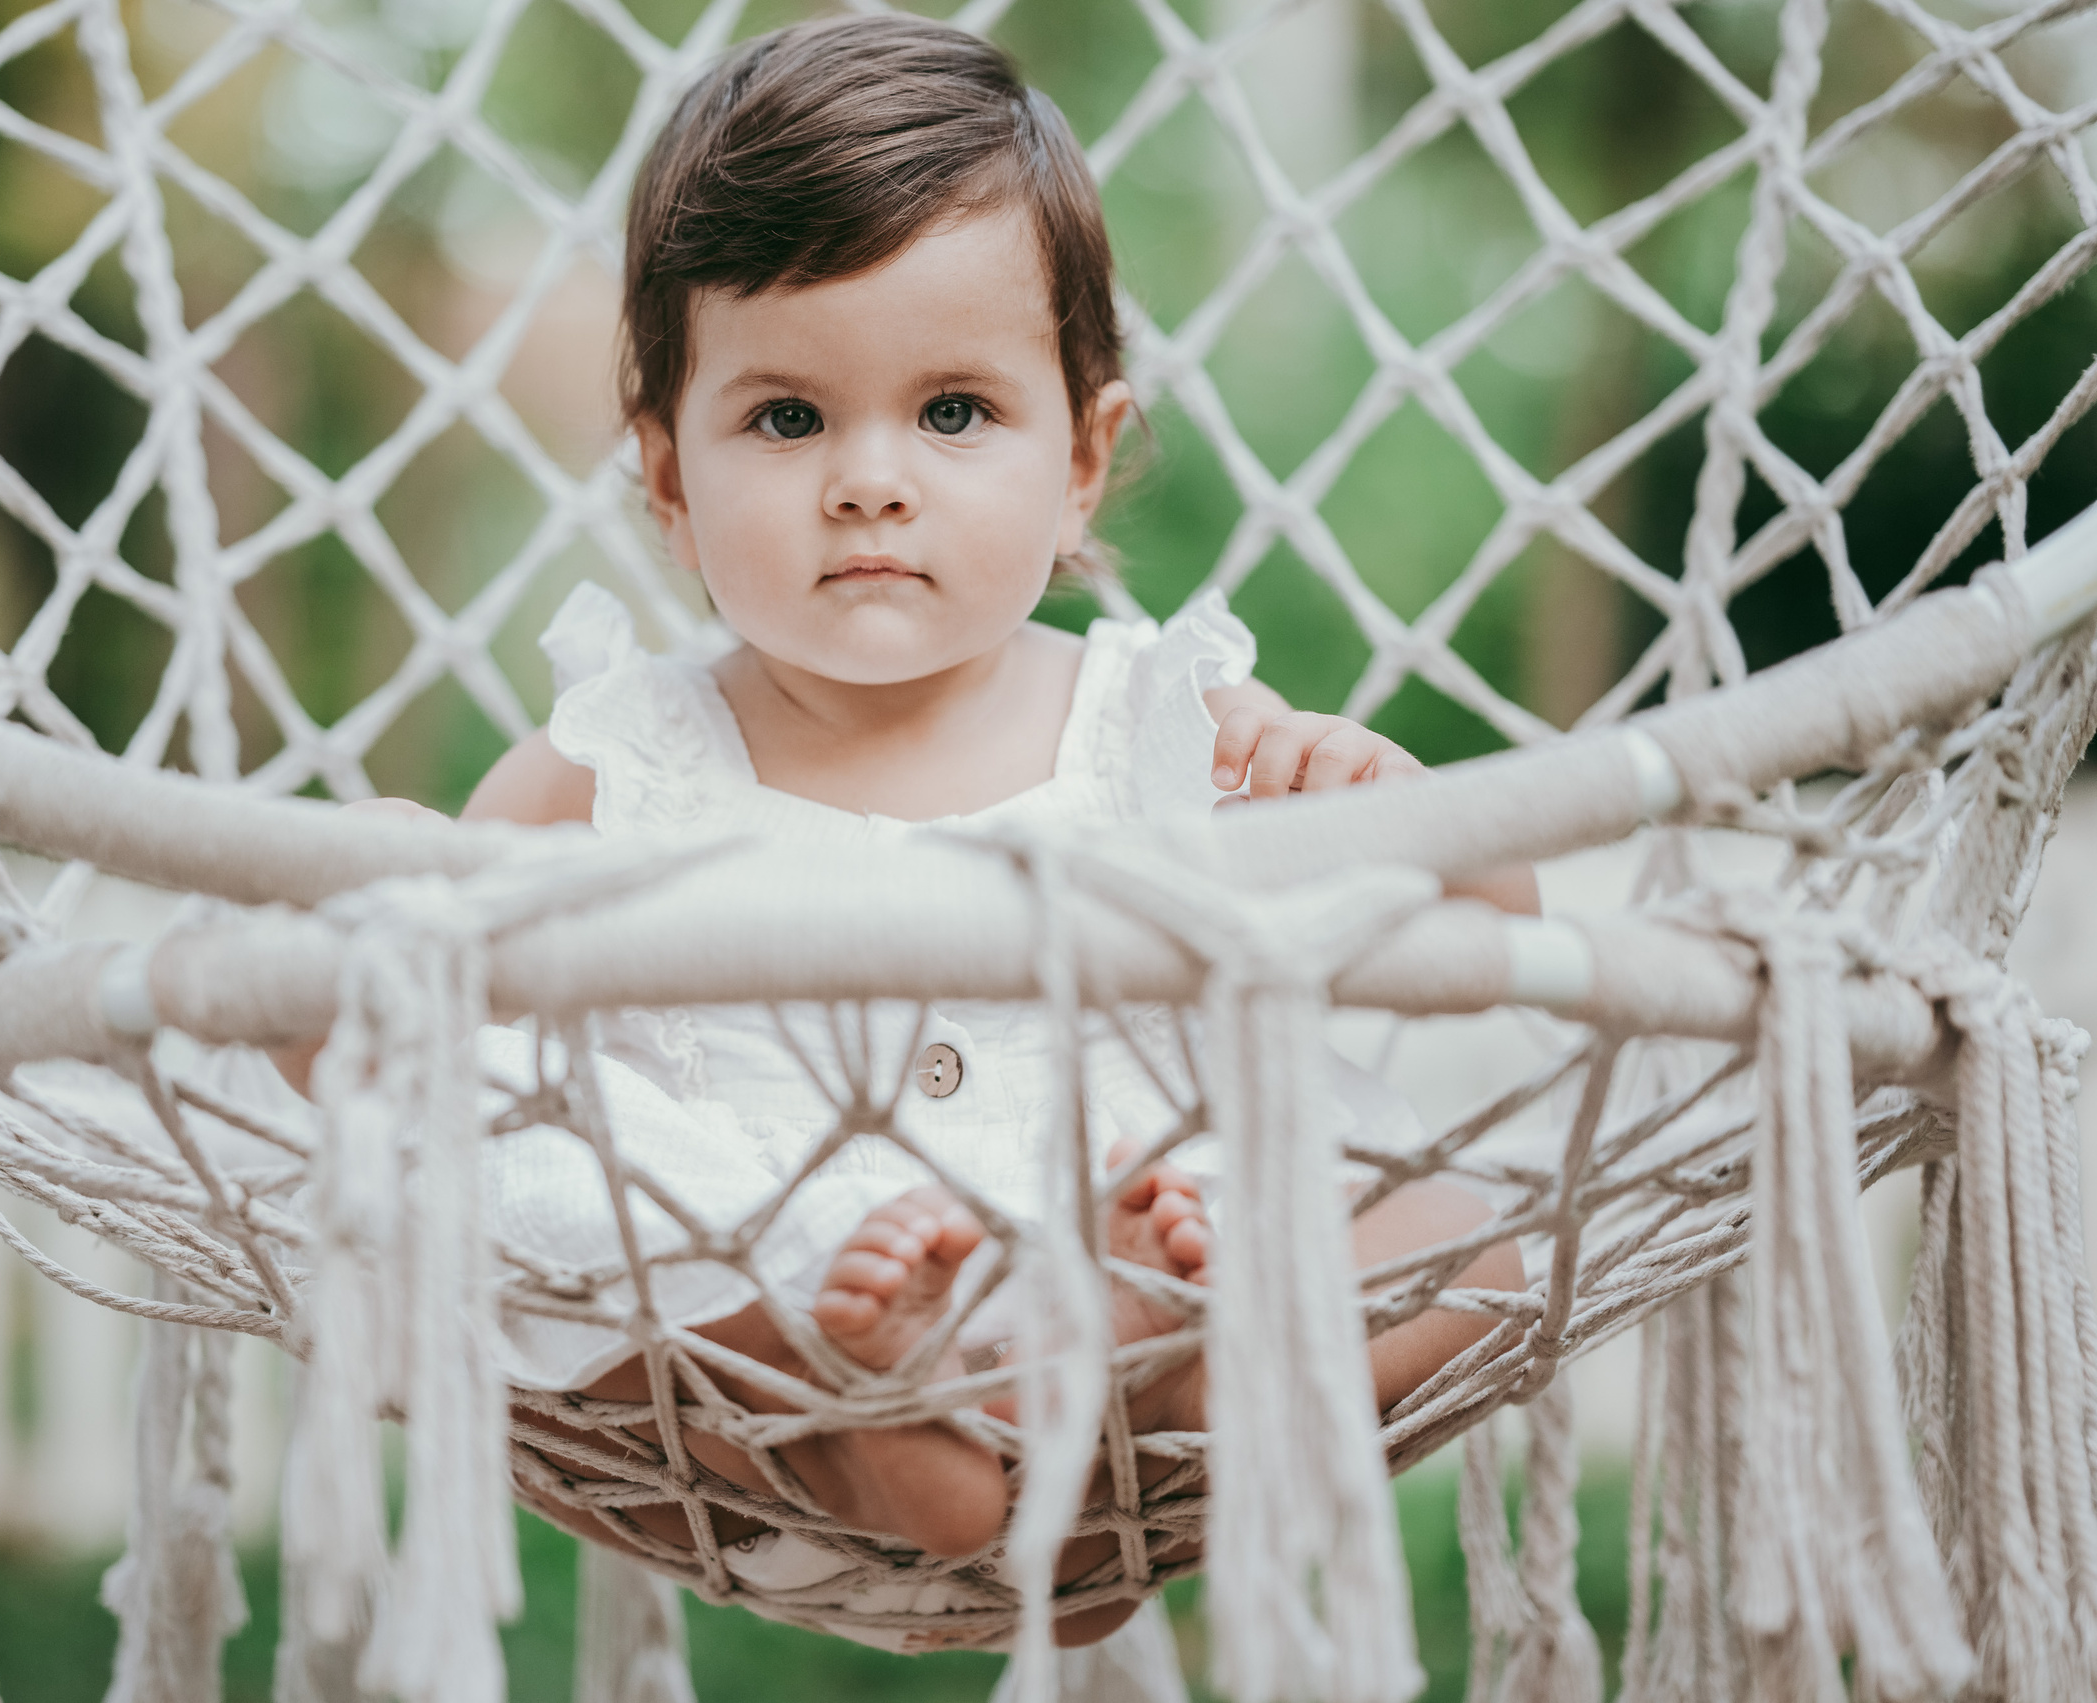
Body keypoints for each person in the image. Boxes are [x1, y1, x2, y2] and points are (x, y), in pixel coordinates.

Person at [319, 13, 1528, 1650]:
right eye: (790, 421)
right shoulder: (620, 759)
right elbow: (445, 1039)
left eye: (953, 413)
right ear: (668, 482)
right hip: (773, 1313)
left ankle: (1179, 1364)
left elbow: (1505, 933)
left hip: (1155, 1229)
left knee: (1479, 1249)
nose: (870, 482)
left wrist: (1377, 797)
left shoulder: (1163, 724)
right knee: (508, 1139)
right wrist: (385, 885)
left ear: (1084, 462)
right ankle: (876, 1404)